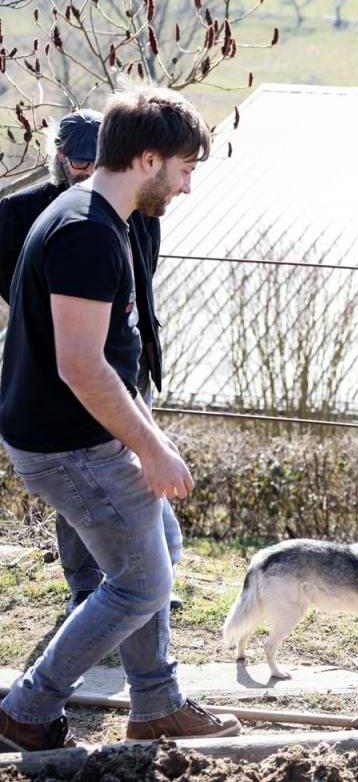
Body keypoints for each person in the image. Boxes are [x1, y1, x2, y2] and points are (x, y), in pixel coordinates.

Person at [0, 87, 240, 752]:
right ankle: (27, 710)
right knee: (139, 580)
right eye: (186, 169)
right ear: (147, 157)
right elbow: (82, 366)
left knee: (158, 552)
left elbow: (109, 355)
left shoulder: (102, 217)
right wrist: (152, 449)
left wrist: (145, 438)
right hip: (71, 445)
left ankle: (157, 703)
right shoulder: (84, 233)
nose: (188, 187)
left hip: (85, 434)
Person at [0, 112, 178, 616]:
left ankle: (145, 583)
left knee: (135, 474)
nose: (86, 172)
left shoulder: (137, 210)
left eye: (94, 162)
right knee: (82, 485)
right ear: (58, 160)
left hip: (124, 363)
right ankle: (91, 585)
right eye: (78, 163)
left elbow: (141, 280)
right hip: (59, 374)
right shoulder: (17, 215)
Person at [0, 111, 102, 303]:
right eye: (80, 162)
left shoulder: (136, 206)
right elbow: (10, 282)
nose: (90, 172)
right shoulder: (17, 210)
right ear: (61, 154)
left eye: (98, 163)